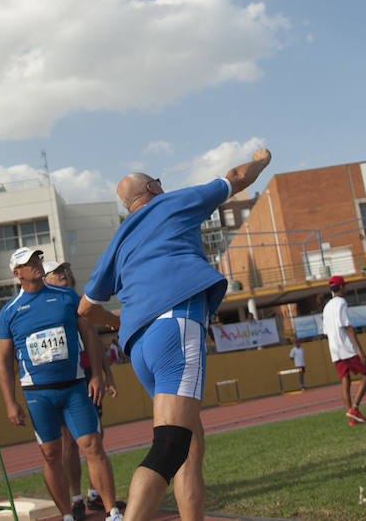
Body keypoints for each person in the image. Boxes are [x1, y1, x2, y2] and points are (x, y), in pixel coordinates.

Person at [78, 147, 272, 521]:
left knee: (189, 443)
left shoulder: (118, 242)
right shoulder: (172, 204)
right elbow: (236, 177)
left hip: (139, 347)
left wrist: (118, 322)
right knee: (170, 446)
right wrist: (262, 159)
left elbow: (85, 309)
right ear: (152, 187)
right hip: (175, 326)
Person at [0, 248, 121, 521]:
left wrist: (99, 376)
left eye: (37, 259)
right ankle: (66, 513)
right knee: (52, 454)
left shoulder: (66, 297)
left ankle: (112, 511)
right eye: (29, 263)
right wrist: (10, 402)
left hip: (75, 386)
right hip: (38, 394)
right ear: (17, 273)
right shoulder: (9, 312)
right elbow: (4, 361)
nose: (36, 265)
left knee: (93, 444)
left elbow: (88, 332)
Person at [43, 260, 123, 519]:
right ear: (45, 278)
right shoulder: (41, 306)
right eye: (56, 272)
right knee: (69, 443)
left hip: (88, 374)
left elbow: (93, 340)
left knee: (95, 437)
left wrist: (106, 374)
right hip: (65, 378)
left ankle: (94, 493)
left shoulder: (78, 301)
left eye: (64, 269)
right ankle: (76, 498)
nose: (63, 273)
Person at [322, 275, 366, 426]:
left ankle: (352, 420)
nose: (346, 288)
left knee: (346, 380)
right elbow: (347, 326)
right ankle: (355, 409)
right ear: (340, 288)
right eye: (344, 286)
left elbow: (326, 331)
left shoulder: (326, 307)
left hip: (334, 350)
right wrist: (360, 350)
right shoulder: (342, 302)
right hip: (346, 348)